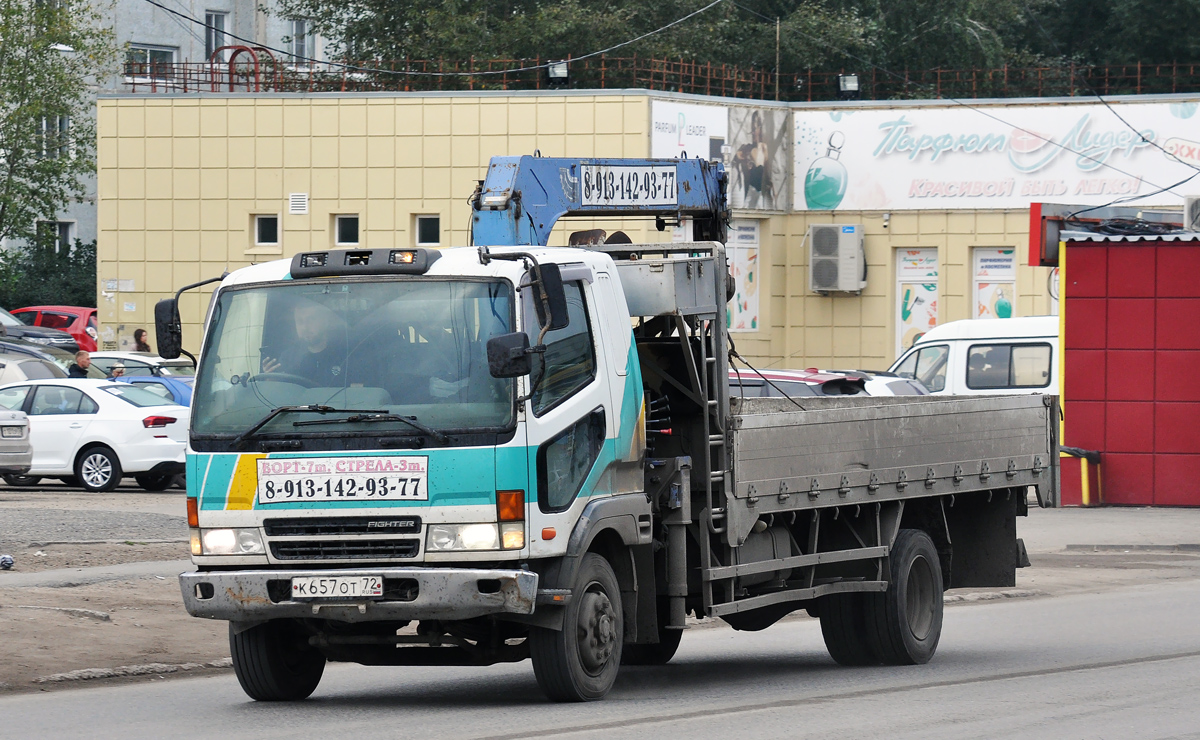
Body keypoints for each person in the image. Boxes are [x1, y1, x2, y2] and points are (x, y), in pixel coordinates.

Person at [261, 299, 349, 386]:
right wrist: (271, 381)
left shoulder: (345, 356)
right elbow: (281, 394)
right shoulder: (287, 358)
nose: (305, 327)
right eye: (300, 321)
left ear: (326, 322)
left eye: (311, 320)